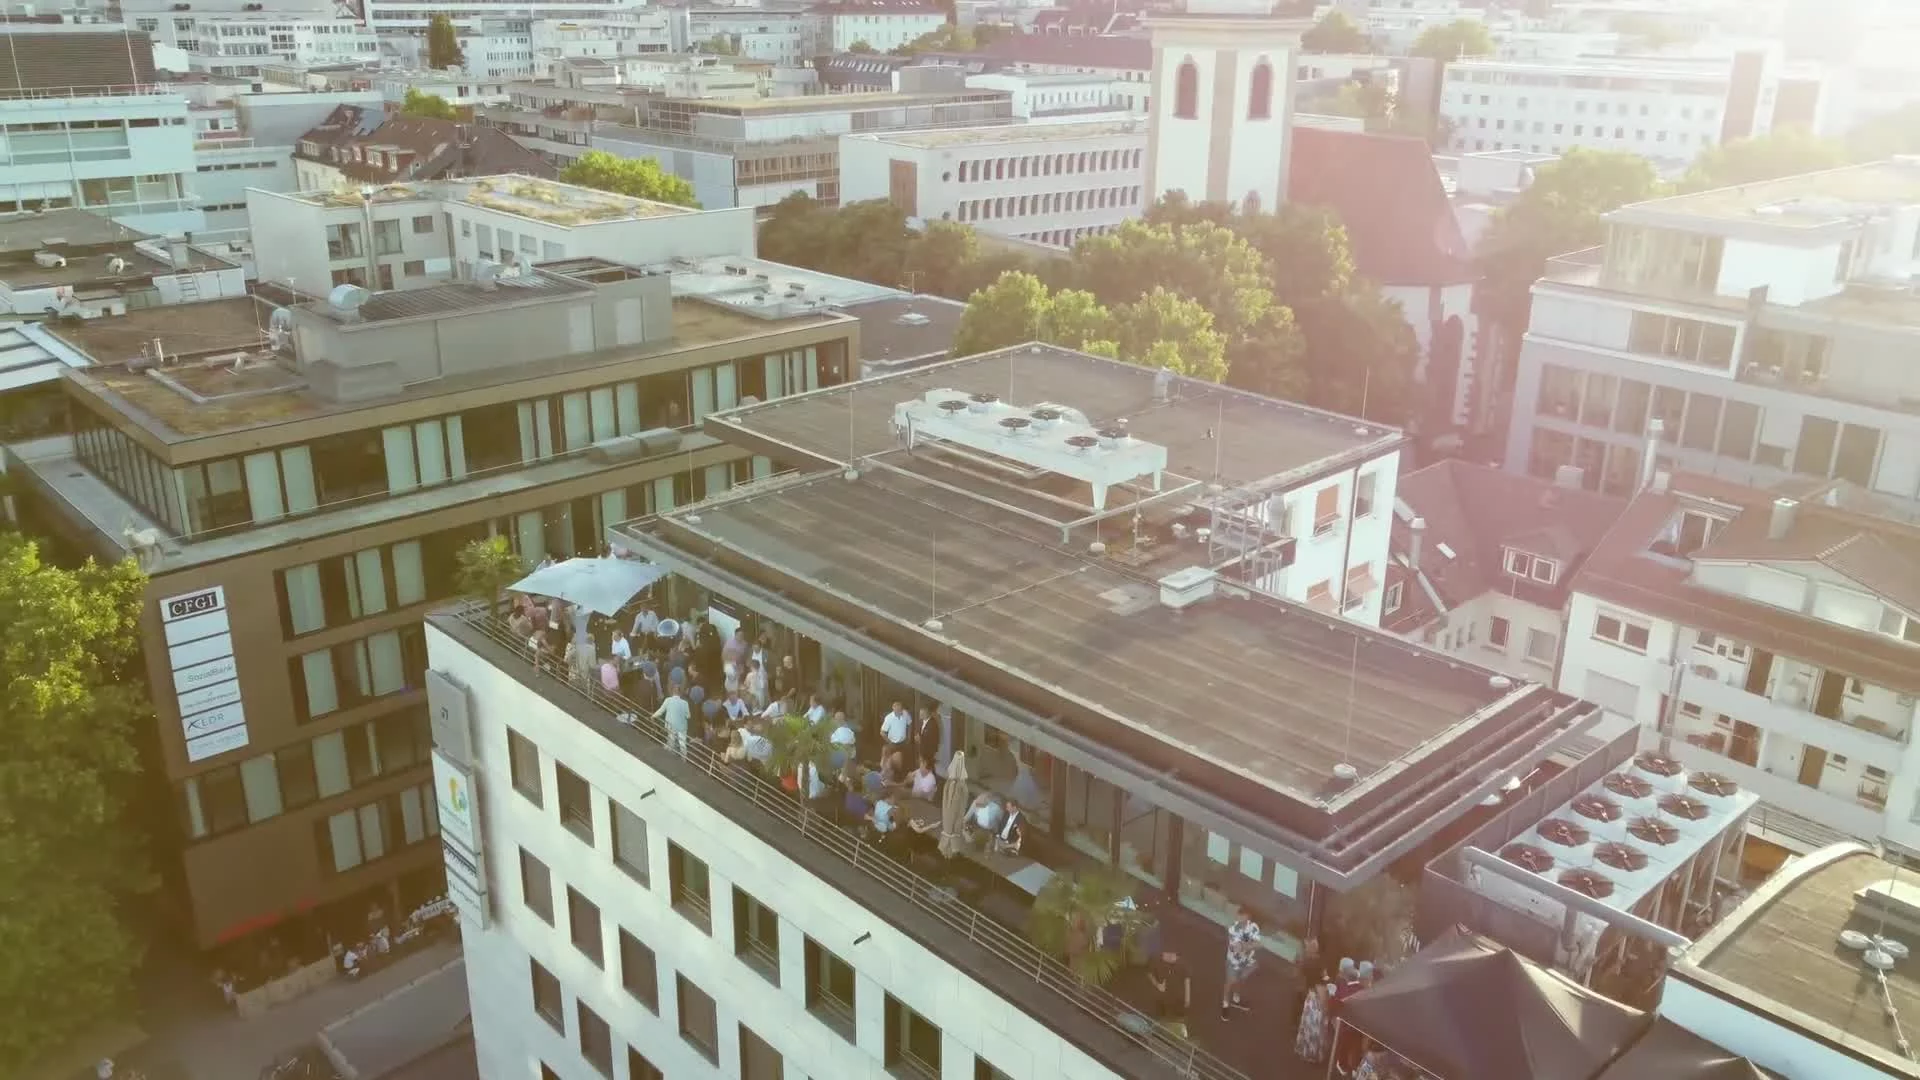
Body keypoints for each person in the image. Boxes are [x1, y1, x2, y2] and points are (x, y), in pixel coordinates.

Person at [1220, 907, 1260, 1021]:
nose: (1239, 919)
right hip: (1233, 961)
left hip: (1246, 960)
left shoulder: (1253, 927)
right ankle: (1225, 1005)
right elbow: (1236, 948)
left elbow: (1258, 944)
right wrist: (1247, 945)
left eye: (1242, 917)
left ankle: (1236, 999)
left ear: (1248, 917)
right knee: (1230, 982)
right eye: (1238, 917)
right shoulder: (1233, 928)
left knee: (1241, 979)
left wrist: (1245, 946)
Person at [1148, 947, 1191, 1038]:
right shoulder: (1158, 961)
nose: (1164, 957)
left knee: (1178, 1018)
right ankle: (1160, 1033)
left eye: (1168, 955)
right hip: (1162, 999)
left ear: (1175, 955)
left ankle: (1180, 1034)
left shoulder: (1182, 965)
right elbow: (1150, 974)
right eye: (1164, 954)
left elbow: (1187, 981)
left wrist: (1187, 998)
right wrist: (1157, 985)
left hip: (1178, 999)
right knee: (1161, 1018)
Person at [1294, 977, 1332, 1063]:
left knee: (1308, 1032)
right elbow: (1323, 1003)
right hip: (1316, 1014)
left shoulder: (1311, 983)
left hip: (1310, 1012)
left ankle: (1306, 1052)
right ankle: (1313, 1055)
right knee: (1315, 1034)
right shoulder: (1321, 985)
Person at [655, 683, 691, 756]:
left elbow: (660, 711)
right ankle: (684, 758)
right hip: (682, 727)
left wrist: (653, 716)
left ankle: (670, 756)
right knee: (682, 744)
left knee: (671, 741)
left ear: (672, 692)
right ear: (680, 693)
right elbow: (688, 716)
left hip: (671, 725)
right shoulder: (685, 703)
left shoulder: (668, 700)